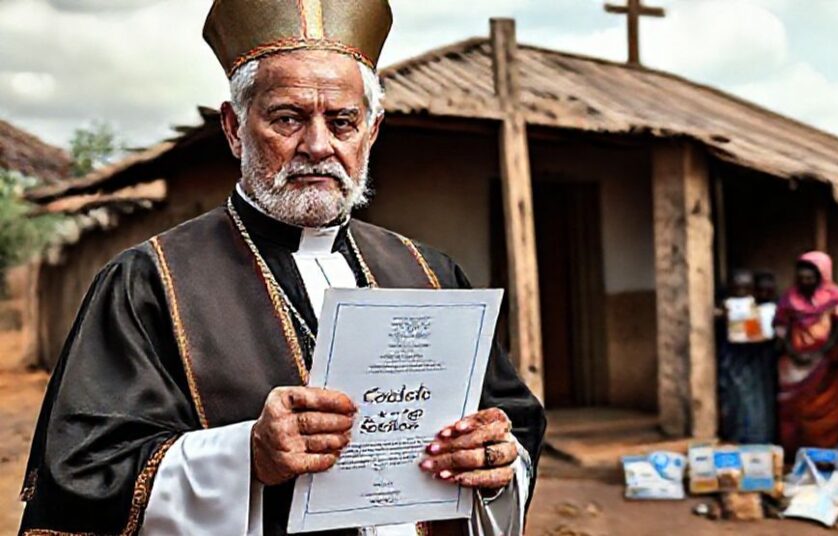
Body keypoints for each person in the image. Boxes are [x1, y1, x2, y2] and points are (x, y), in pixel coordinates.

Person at [18, 2, 546, 535]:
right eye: (288, 118)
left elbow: (512, 421)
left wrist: (497, 460)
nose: (318, 146)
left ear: (372, 132)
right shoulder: (148, 283)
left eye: (343, 121)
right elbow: (82, 478)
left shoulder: (427, 273)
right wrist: (244, 456)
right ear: (233, 128)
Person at [774, 252, 838, 457]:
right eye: (801, 278)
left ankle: (824, 455)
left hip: (825, 361)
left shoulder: (835, 296)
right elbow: (781, 330)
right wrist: (794, 353)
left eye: (810, 278)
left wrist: (821, 353)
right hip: (793, 364)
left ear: (821, 277)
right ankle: (793, 454)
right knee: (793, 408)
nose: (805, 283)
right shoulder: (788, 298)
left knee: (825, 411)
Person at [717, 270, 777, 444]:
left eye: (745, 289)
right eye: (737, 288)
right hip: (733, 364)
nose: (741, 293)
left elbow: (758, 338)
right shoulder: (725, 308)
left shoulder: (760, 310)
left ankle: (760, 441)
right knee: (735, 404)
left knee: (757, 406)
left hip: (755, 366)